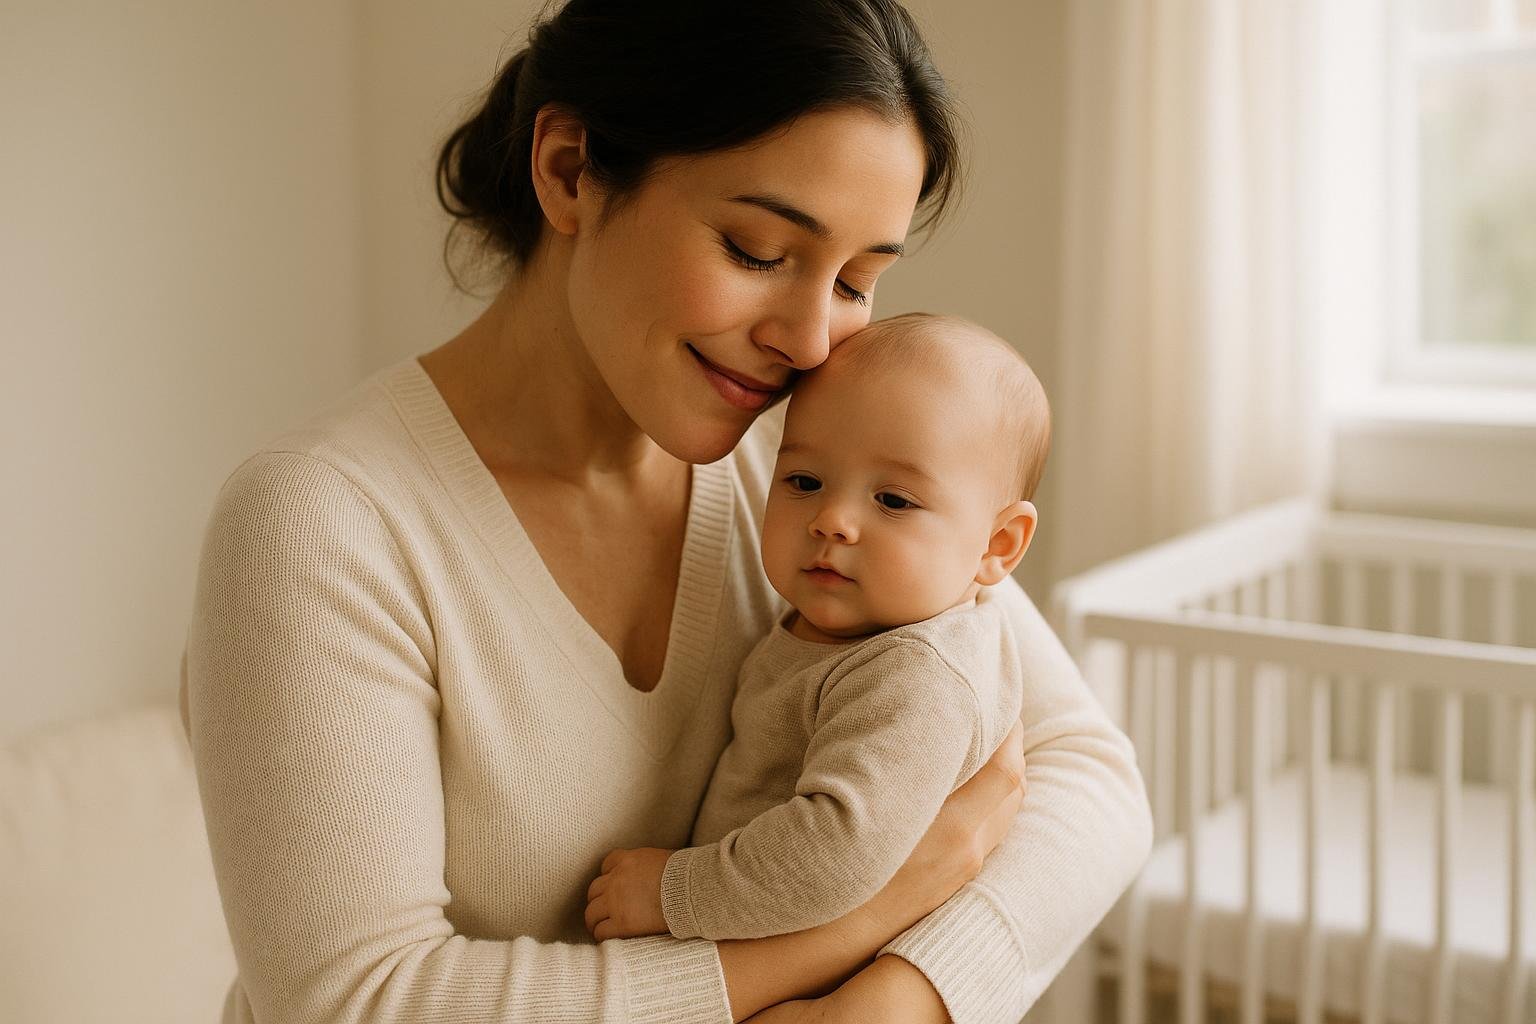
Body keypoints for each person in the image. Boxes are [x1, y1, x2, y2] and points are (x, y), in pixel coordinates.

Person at [178, 2, 1153, 1022]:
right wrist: (860, 922)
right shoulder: (322, 523)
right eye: (758, 249)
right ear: (567, 169)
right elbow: (357, 1001)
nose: (812, 340)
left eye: (859, 281)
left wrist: (899, 1001)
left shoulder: (813, 457)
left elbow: (1087, 775)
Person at [583, 313, 1050, 945]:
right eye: (804, 482)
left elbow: (837, 847)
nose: (833, 520)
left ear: (998, 543)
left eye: (893, 501)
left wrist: (674, 892)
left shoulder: (918, 674)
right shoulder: (875, 620)